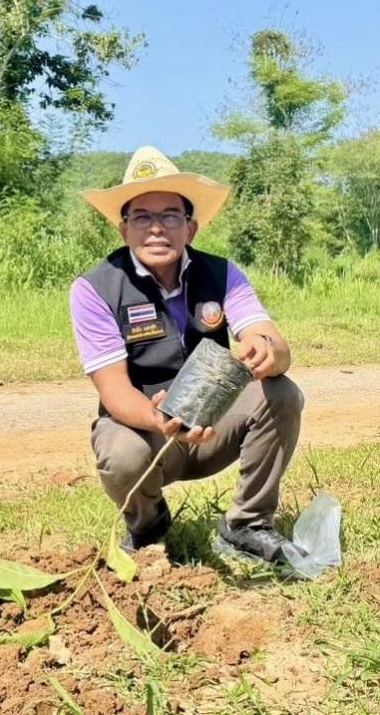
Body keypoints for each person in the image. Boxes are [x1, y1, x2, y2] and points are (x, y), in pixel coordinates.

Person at [69, 146, 304, 563]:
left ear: (190, 228)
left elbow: (269, 337)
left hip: (214, 427)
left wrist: (268, 351)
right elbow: (113, 390)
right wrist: (160, 420)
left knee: (281, 392)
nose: (156, 228)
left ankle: (248, 525)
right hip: (148, 430)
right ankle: (148, 528)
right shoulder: (95, 288)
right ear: (124, 230)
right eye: (142, 216)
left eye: (169, 216)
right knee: (121, 454)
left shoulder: (222, 274)